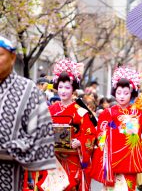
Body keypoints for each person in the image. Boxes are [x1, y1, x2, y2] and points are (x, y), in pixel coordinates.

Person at [0, 36, 56, 190]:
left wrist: (5, 150)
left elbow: (39, 137)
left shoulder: (28, 91)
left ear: (12, 57)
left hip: (9, 178)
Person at [90, 66, 142, 191]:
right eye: (119, 92)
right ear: (114, 92)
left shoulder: (137, 112)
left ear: (132, 93)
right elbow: (101, 137)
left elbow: (135, 134)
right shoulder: (107, 113)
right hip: (111, 160)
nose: (122, 96)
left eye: (126, 93)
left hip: (129, 159)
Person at [49, 58, 97, 190]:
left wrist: (80, 142)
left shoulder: (81, 112)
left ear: (73, 89)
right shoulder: (50, 110)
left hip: (73, 159)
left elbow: (91, 134)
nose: (63, 91)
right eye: (60, 87)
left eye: (67, 87)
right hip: (54, 159)